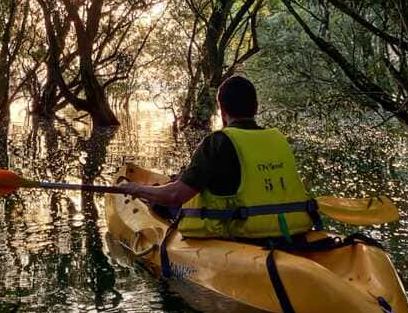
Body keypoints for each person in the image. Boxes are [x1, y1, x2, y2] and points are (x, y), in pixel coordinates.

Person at [120, 75, 317, 240]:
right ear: (256, 107)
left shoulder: (218, 142)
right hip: (290, 231)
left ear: (222, 111)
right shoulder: (277, 140)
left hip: (243, 235)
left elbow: (175, 196)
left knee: (160, 203)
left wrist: (136, 189)